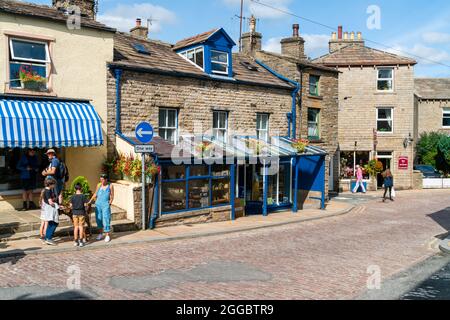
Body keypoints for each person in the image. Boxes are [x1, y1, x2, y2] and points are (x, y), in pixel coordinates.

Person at [88, 174, 114, 243]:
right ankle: (100, 233)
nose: (101, 181)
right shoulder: (99, 185)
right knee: (98, 219)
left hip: (105, 204)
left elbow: (112, 195)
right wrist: (90, 201)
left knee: (106, 219)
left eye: (102, 179)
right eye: (100, 179)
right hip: (98, 204)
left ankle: (107, 235)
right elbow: (95, 194)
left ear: (106, 179)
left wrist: (110, 203)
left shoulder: (110, 186)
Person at [41, 178, 60, 246]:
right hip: (50, 209)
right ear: (50, 184)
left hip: (48, 209)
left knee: (50, 223)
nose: (54, 186)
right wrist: (57, 205)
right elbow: (50, 202)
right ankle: (49, 238)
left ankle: (47, 237)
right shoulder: (48, 191)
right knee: (54, 223)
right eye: (54, 184)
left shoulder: (45, 190)